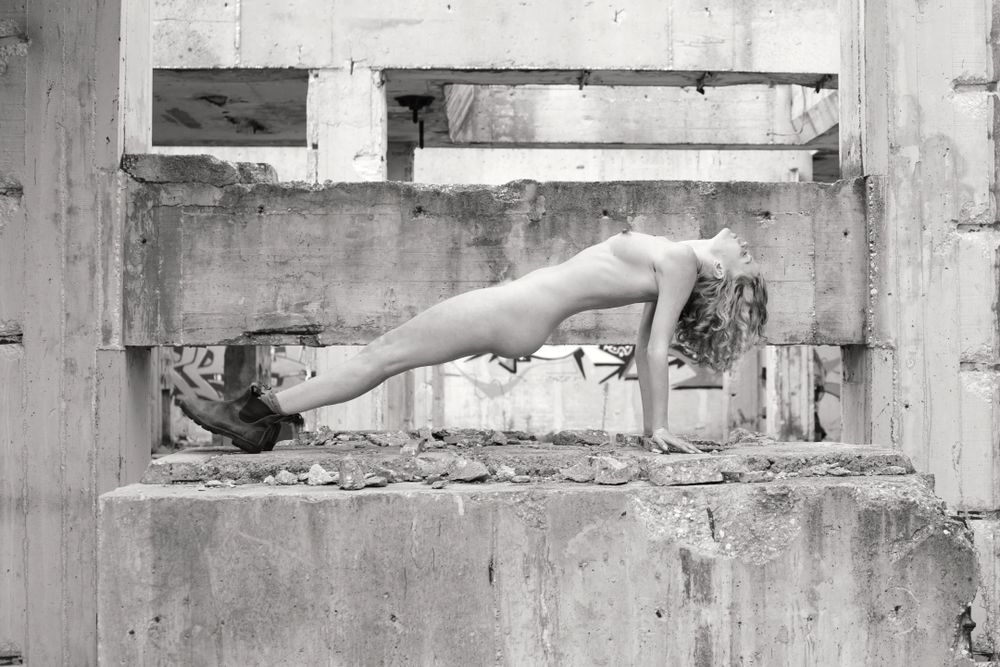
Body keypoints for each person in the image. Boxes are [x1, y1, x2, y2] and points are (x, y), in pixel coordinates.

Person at [180, 228, 767, 455]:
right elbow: (646, 345)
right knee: (385, 355)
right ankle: (267, 415)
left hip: (515, 310)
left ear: (720, 275)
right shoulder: (676, 260)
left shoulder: (684, 263)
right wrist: (652, 427)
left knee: (382, 355)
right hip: (518, 311)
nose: (749, 246)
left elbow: (658, 343)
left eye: (748, 264)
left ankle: (259, 414)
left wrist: (658, 428)